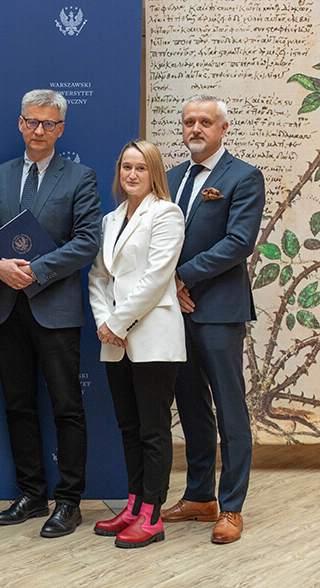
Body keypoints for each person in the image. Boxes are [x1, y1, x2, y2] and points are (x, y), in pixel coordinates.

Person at [0, 89, 101, 537]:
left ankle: (69, 501)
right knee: (18, 405)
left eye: (49, 124)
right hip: (6, 307)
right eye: (32, 122)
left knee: (67, 407)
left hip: (55, 308)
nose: (39, 130)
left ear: (61, 129)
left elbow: (88, 240)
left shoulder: (80, 177)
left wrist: (37, 271)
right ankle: (31, 494)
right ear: (20, 123)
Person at [160, 94, 265, 544]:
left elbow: (238, 242)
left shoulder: (243, 176)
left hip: (218, 310)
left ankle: (232, 506)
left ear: (223, 129)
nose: (195, 128)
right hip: (172, 310)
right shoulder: (169, 177)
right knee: (190, 404)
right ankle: (200, 495)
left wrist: (181, 278)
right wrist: (165, 287)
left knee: (229, 406)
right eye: (189, 122)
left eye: (205, 121)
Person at [88, 140, 185, 548]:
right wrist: (105, 324)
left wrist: (119, 322)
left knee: (153, 429)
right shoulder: (110, 220)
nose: (131, 174)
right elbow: (97, 278)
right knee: (129, 427)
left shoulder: (166, 214)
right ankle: (132, 504)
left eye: (140, 168)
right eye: (126, 167)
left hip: (152, 337)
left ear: (154, 173)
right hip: (115, 339)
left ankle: (152, 514)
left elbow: (156, 277)